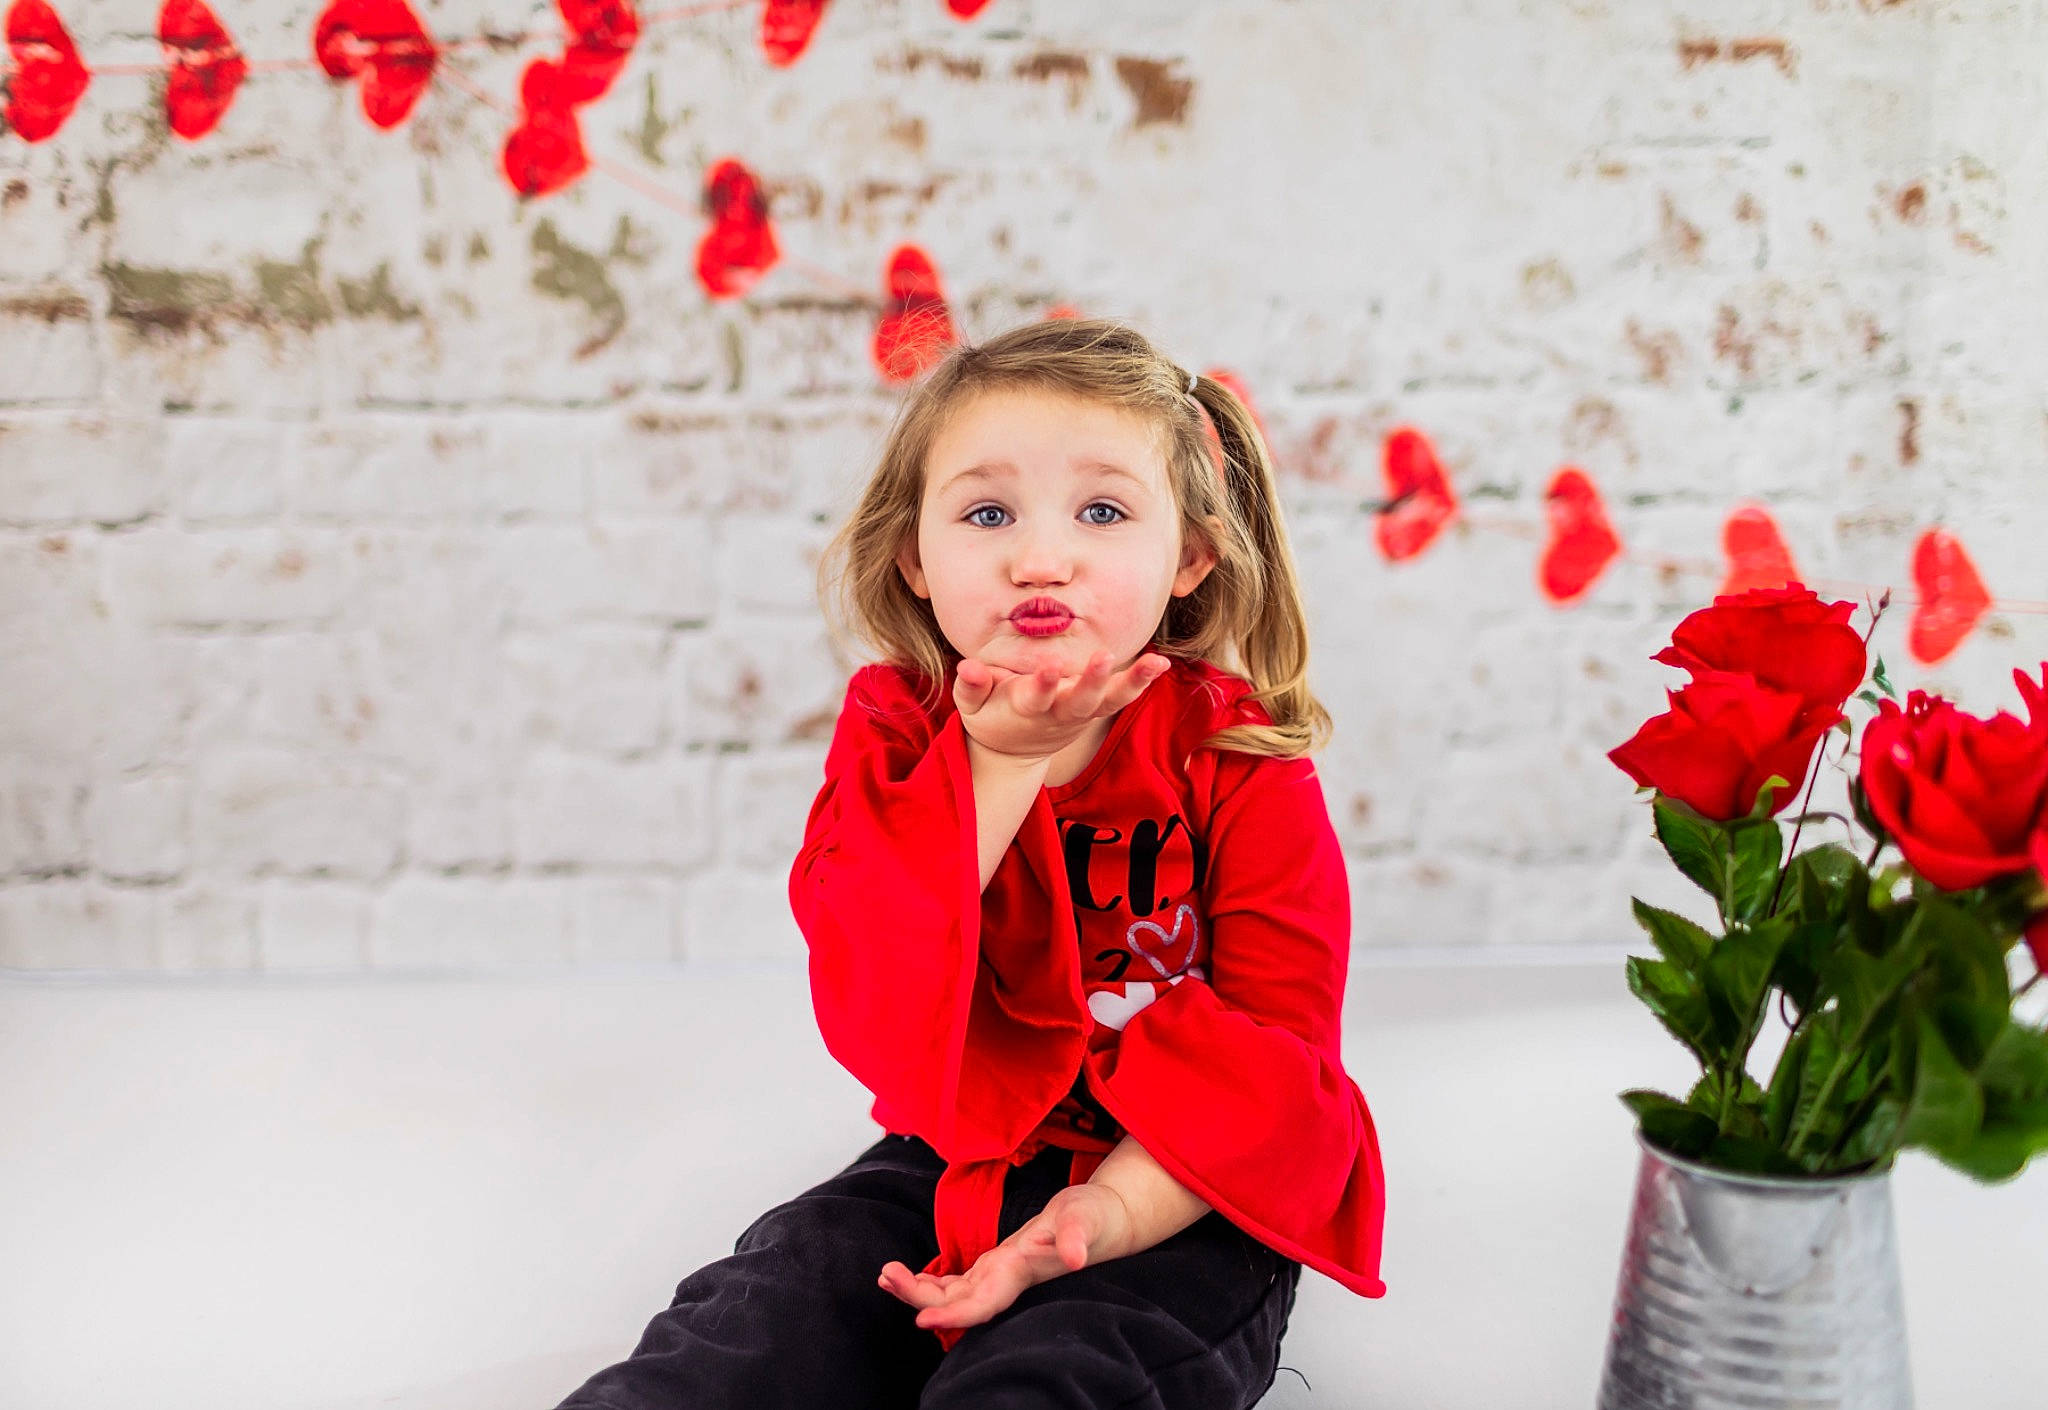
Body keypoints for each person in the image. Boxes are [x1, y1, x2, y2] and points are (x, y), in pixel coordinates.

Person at [551, 317, 1386, 1409]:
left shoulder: (1239, 756)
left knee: (1058, 1379)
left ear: (1188, 555)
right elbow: (881, 1022)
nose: (1039, 557)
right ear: (915, 555)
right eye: (986, 512)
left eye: (1102, 511)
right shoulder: (895, 733)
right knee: (754, 1328)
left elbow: (1283, 1068)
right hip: (950, 1158)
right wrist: (995, 767)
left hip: (1181, 1183)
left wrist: (1095, 1220)